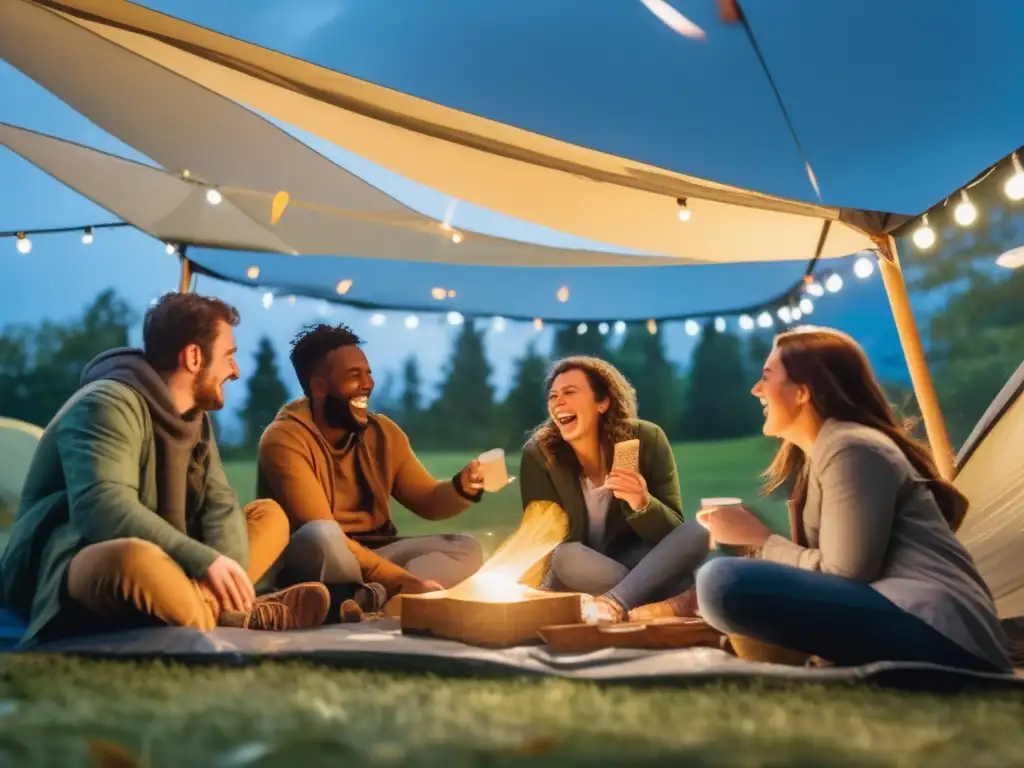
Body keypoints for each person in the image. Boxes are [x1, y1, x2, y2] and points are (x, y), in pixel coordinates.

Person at [0, 293, 331, 646]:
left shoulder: (195, 418)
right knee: (132, 558)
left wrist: (221, 565)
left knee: (270, 516)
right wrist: (204, 561)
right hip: (76, 559)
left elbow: (219, 506)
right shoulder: (105, 404)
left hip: (173, 557)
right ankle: (240, 614)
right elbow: (103, 511)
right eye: (229, 357)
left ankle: (223, 605)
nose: (235, 371)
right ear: (193, 357)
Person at [694, 326, 1011, 672]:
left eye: (767, 377)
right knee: (720, 582)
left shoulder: (853, 448)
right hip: (907, 617)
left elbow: (846, 574)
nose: (756, 389)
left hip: (938, 627)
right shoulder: (822, 456)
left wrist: (761, 540)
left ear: (803, 391)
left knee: (723, 581)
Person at [257, 323, 486, 620]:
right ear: (319, 387)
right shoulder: (284, 439)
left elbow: (426, 498)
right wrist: (406, 579)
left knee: (466, 548)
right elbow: (325, 533)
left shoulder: (383, 433)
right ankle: (386, 596)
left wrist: (462, 487)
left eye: (368, 373)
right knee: (321, 536)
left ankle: (366, 601)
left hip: (377, 554)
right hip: (322, 559)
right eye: (355, 376)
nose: (368, 383)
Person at [518, 356, 710, 622]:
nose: (558, 402)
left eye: (570, 392)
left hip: (637, 561)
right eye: (553, 396)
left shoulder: (648, 440)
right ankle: (672, 599)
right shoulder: (540, 455)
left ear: (602, 402)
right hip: (579, 568)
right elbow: (540, 539)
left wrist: (643, 504)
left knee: (703, 527)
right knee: (566, 555)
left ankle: (613, 603)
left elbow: (673, 535)